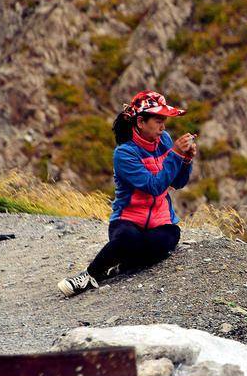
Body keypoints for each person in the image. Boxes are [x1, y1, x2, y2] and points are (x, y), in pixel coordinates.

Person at [57, 90, 198, 297]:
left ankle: (122, 265)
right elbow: (154, 186)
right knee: (129, 239)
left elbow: (178, 182)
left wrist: (185, 160)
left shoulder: (165, 140)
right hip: (127, 222)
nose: (163, 126)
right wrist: (176, 155)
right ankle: (89, 275)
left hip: (160, 221)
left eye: (164, 121)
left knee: (170, 236)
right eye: (158, 121)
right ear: (141, 122)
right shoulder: (124, 153)